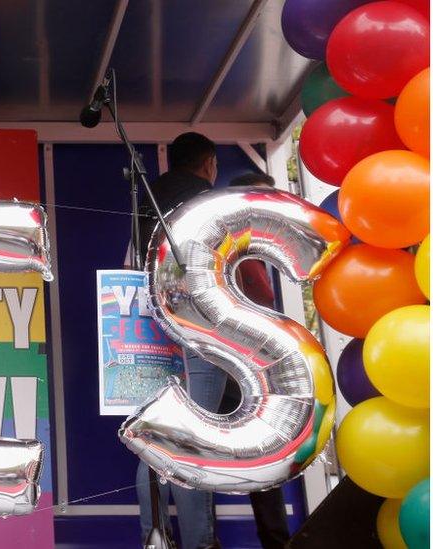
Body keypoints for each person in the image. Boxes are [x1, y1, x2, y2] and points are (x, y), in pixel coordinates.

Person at [135, 132, 225, 549]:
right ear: (208, 163)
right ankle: (199, 542)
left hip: (151, 329)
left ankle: (153, 539)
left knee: (157, 438)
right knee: (193, 438)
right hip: (200, 328)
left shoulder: (145, 198)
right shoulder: (207, 200)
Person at [221, 172, 291, 549]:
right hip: (245, 367)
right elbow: (263, 302)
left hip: (226, 365)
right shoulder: (241, 244)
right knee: (265, 456)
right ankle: (275, 539)